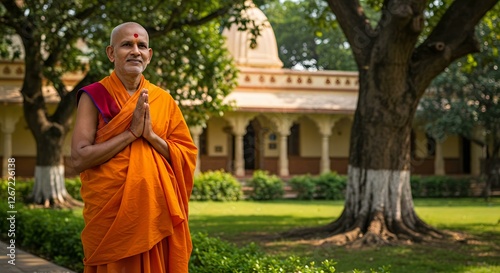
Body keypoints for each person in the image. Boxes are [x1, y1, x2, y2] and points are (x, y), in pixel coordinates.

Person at [71, 22, 198, 273]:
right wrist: (130, 134)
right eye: (127, 44)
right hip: (111, 218)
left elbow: (186, 154)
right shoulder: (94, 96)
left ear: (149, 55)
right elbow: (79, 158)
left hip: (155, 215)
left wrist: (150, 136)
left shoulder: (163, 100)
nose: (135, 51)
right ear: (110, 53)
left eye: (142, 46)